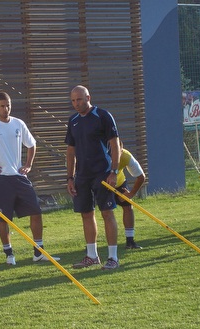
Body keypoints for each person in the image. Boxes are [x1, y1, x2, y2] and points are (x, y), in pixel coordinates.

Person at [0, 92, 60, 265]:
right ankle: (9, 254)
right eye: (2, 105)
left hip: (19, 177)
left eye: (8, 105)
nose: (6, 108)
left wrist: (28, 164)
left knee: (36, 211)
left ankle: (38, 252)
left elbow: (31, 144)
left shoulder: (19, 123)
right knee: (3, 218)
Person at [65, 85, 120, 270]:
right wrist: (70, 178)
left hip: (102, 172)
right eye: (73, 100)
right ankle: (91, 255)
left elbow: (115, 144)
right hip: (82, 175)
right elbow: (70, 151)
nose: (76, 103)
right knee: (86, 214)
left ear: (88, 97)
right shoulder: (72, 121)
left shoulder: (103, 116)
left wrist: (114, 171)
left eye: (79, 99)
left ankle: (112, 257)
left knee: (107, 212)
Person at [116, 140, 146, 249]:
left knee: (128, 206)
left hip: (119, 183)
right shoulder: (100, 155)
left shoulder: (126, 156)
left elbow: (141, 177)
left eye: (117, 151)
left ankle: (130, 241)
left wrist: (131, 194)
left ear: (121, 149)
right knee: (106, 212)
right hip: (101, 184)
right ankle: (91, 246)